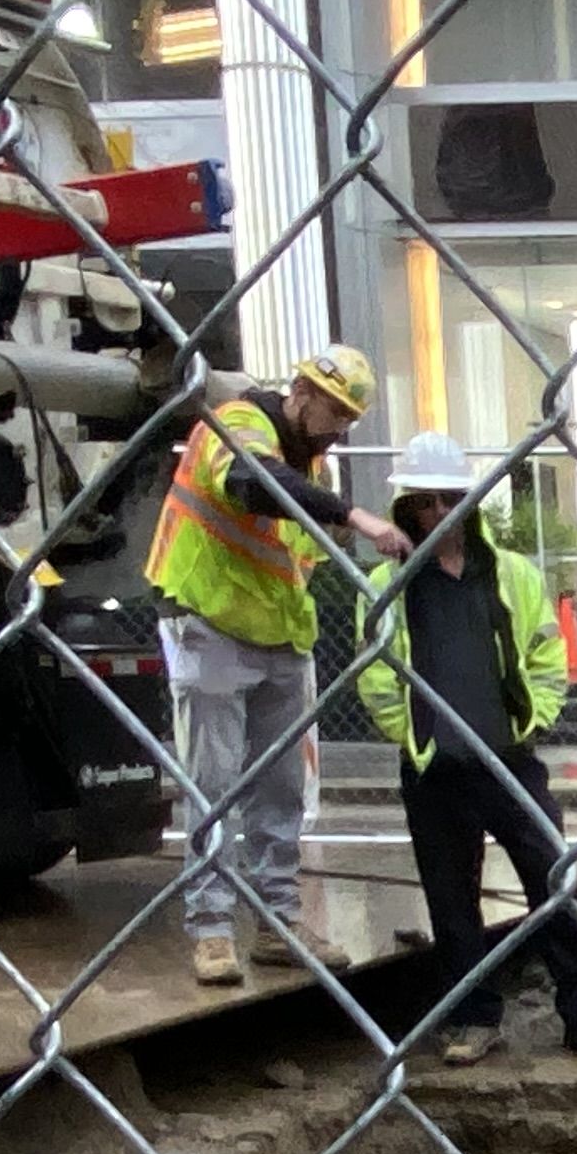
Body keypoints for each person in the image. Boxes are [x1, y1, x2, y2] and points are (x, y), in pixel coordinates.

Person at [352, 433, 577, 1068]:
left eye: (448, 498)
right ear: (406, 509)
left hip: (509, 760)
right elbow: (374, 676)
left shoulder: (512, 574)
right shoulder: (386, 585)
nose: (435, 512)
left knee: (553, 881)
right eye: (423, 501)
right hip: (434, 770)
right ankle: (474, 1019)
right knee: (452, 904)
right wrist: (417, 736)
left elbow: (546, 653)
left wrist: (533, 719)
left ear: (468, 501)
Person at [146, 342, 403, 989]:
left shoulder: (307, 461)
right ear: (303, 392)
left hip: (277, 636)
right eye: (336, 410)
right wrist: (352, 514)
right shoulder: (240, 423)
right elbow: (249, 483)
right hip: (207, 621)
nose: (340, 427)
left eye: (350, 418)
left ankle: (277, 922)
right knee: (213, 783)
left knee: (281, 791)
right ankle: (210, 930)